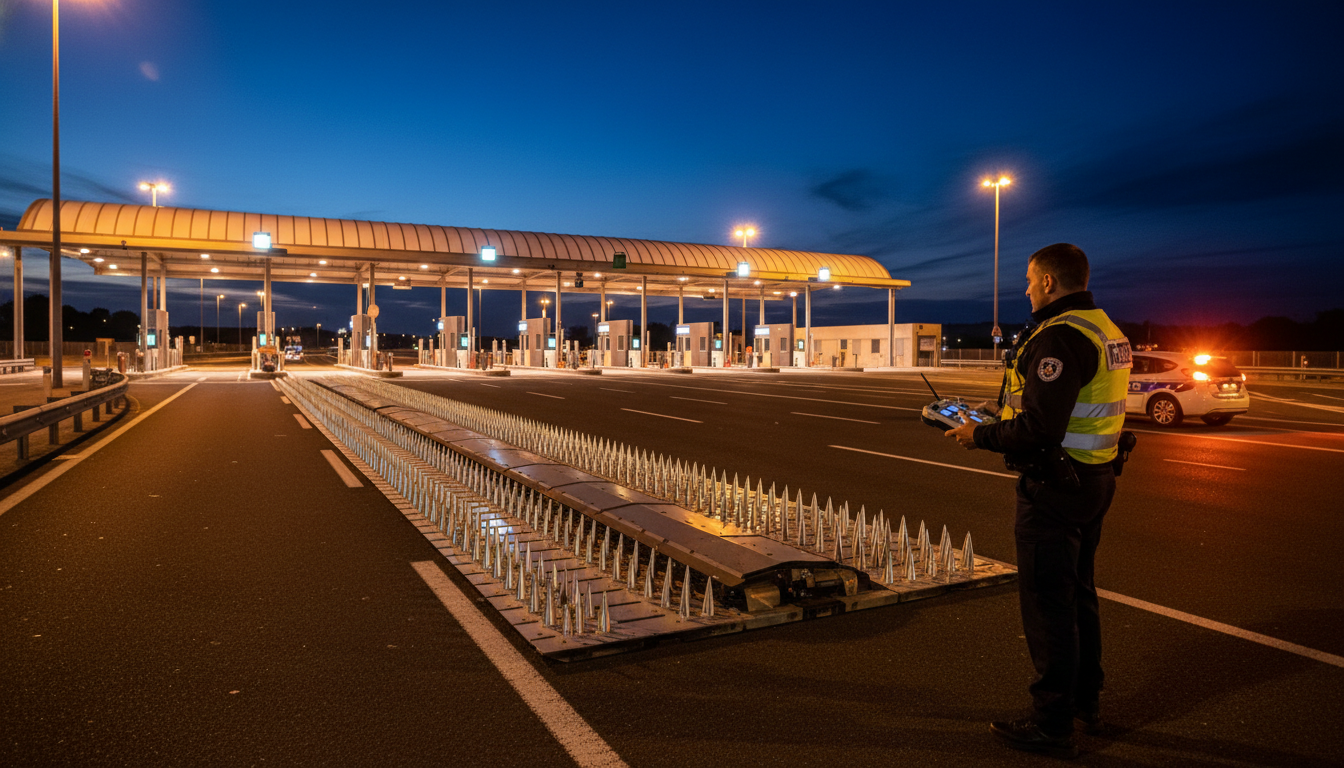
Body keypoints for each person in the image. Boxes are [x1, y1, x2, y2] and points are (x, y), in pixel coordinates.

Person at [944, 243, 1132, 759]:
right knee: (1080, 595)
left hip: (1055, 487)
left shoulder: (1060, 337)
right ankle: (1084, 701)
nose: (1026, 289)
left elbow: (1041, 428)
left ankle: (1052, 722)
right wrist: (997, 412)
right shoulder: (1107, 329)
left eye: (1029, 280)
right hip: (1095, 480)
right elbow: (1078, 407)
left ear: (1049, 282)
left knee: (1049, 606)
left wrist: (977, 436)